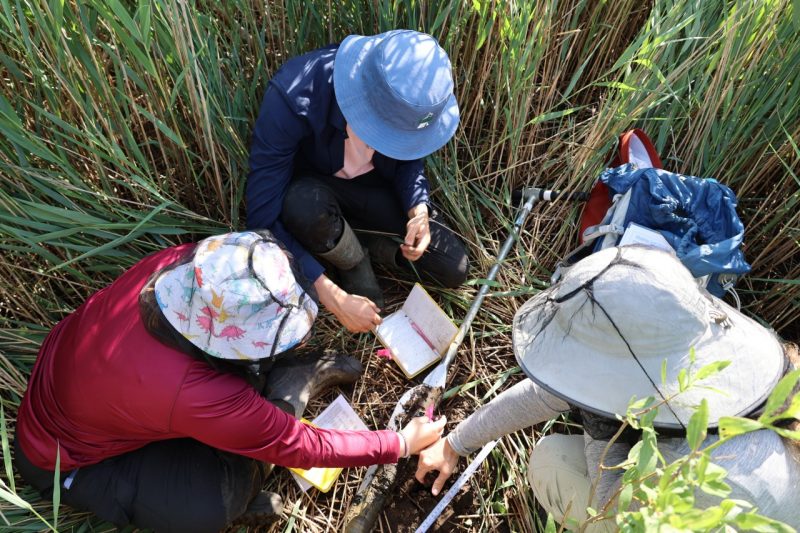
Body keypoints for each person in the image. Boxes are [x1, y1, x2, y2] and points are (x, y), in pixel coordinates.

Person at [14, 231, 447, 533]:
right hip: (67, 462)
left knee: (232, 410)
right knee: (211, 504)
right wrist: (400, 444)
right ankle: (275, 416)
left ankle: (269, 407)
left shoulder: (184, 266)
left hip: (85, 387)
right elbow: (301, 446)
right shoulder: (193, 391)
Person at [415, 245, 799, 530]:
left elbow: (615, 515)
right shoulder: (709, 347)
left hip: (687, 517)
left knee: (549, 460)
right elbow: (546, 393)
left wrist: (599, 427)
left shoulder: (705, 468)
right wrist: (455, 443)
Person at [246, 29, 469, 334]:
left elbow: (410, 158)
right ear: (360, 104)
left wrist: (418, 209)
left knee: (452, 267)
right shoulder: (294, 97)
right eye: (387, 136)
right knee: (302, 204)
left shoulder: (408, 103)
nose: (389, 144)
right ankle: (352, 262)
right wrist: (332, 297)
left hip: (374, 193)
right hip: (315, 199)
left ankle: (364, 243)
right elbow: (262, 219)